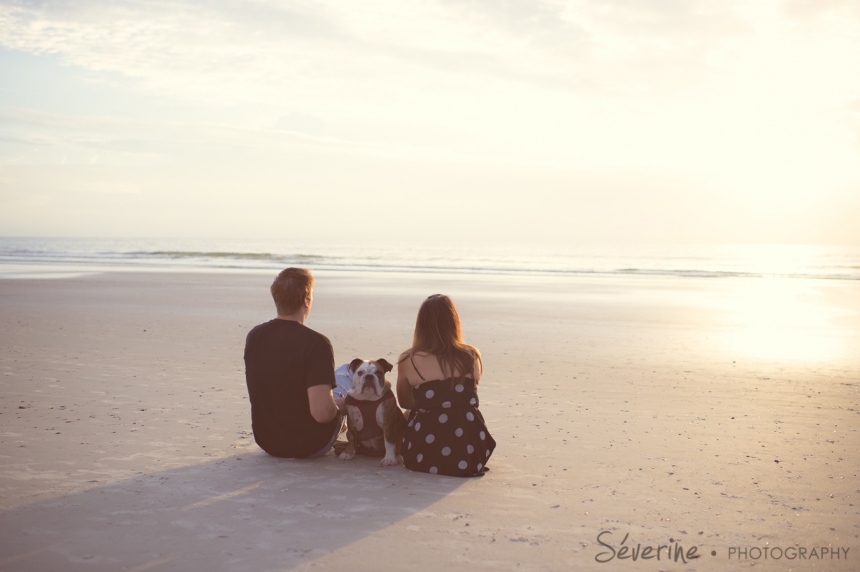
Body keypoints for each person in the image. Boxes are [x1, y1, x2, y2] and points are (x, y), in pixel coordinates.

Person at [244, 267, 345, 458]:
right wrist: (341, 407)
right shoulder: (317, 344)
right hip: (310, 444)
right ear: (306, 300)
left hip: (268, 441)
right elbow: (322, 414)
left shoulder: (255, 335)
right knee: (347, 375)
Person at [396, 294, 495, 476]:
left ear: (421, 325)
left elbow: (405, 402)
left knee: (409, 413)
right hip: (469, 454)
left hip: (422, 456)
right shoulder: (471, 355)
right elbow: (467, 392)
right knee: (459, 410)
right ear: (454, 322)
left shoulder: (408, 359)